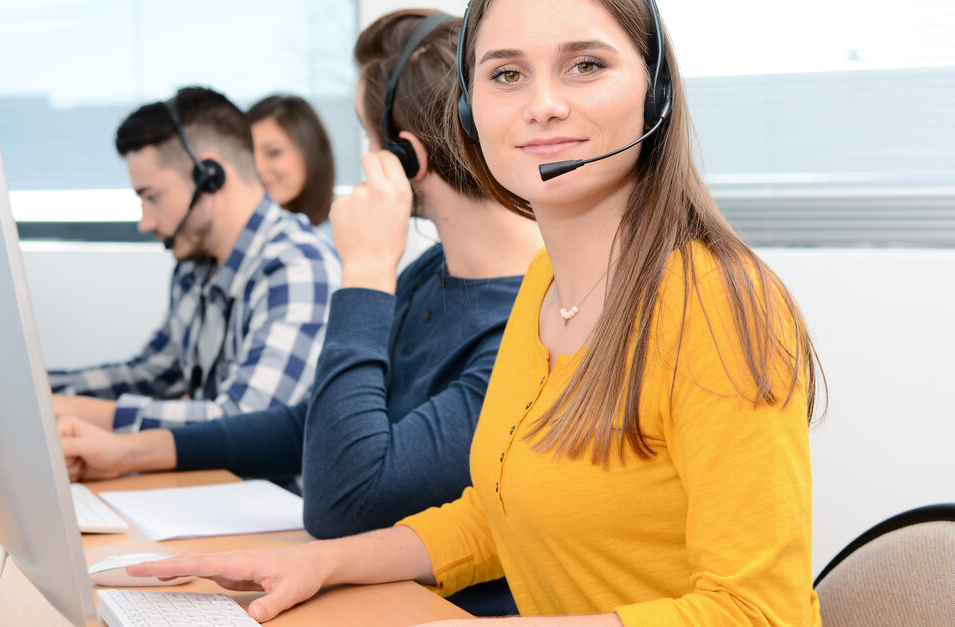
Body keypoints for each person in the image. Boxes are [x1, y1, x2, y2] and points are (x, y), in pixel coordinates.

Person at [124, 0, 825, 624]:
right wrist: (320, 563)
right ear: (468, 113)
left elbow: (762, 610)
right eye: (506, 74)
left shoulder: (719, 303)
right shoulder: (546, 283)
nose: (542, 103)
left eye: (585, 64)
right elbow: (499, 513)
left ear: (655, 91)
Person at [57, 10, 543, 616]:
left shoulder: (531, 318)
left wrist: (365, 271)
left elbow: (344, 503)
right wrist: (131, 450)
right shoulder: (431, 276)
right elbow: (306, 424)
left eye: (369, 142)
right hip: (374, 594)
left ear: (404, 157)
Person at [49, 86, 340, 432]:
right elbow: (155, 374)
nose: (146, 222)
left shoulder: (298, 266)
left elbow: (247, 422)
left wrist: (87, 414)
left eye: (152, 197)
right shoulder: (194, 266)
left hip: (268, 486)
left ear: (210, 178)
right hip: (210, 482)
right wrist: (38, 391)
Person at [247, 95, 335, 226]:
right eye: (249, 154)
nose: (258, 168)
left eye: (274, 152)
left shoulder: (337, 238)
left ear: (311, 152)